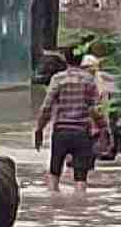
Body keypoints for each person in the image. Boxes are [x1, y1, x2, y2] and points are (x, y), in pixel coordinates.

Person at [35, 48, 106, 196]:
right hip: (82, 132)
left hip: (61, 131)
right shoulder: (88, 79)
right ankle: (80, 209)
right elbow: (95, 109)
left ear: (66, 60)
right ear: (81, 61)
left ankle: (55, 207)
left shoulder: (58, 79)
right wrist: (104, 129)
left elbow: (47, 107)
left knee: (54, 175)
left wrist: (39, 129)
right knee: (81, 179)